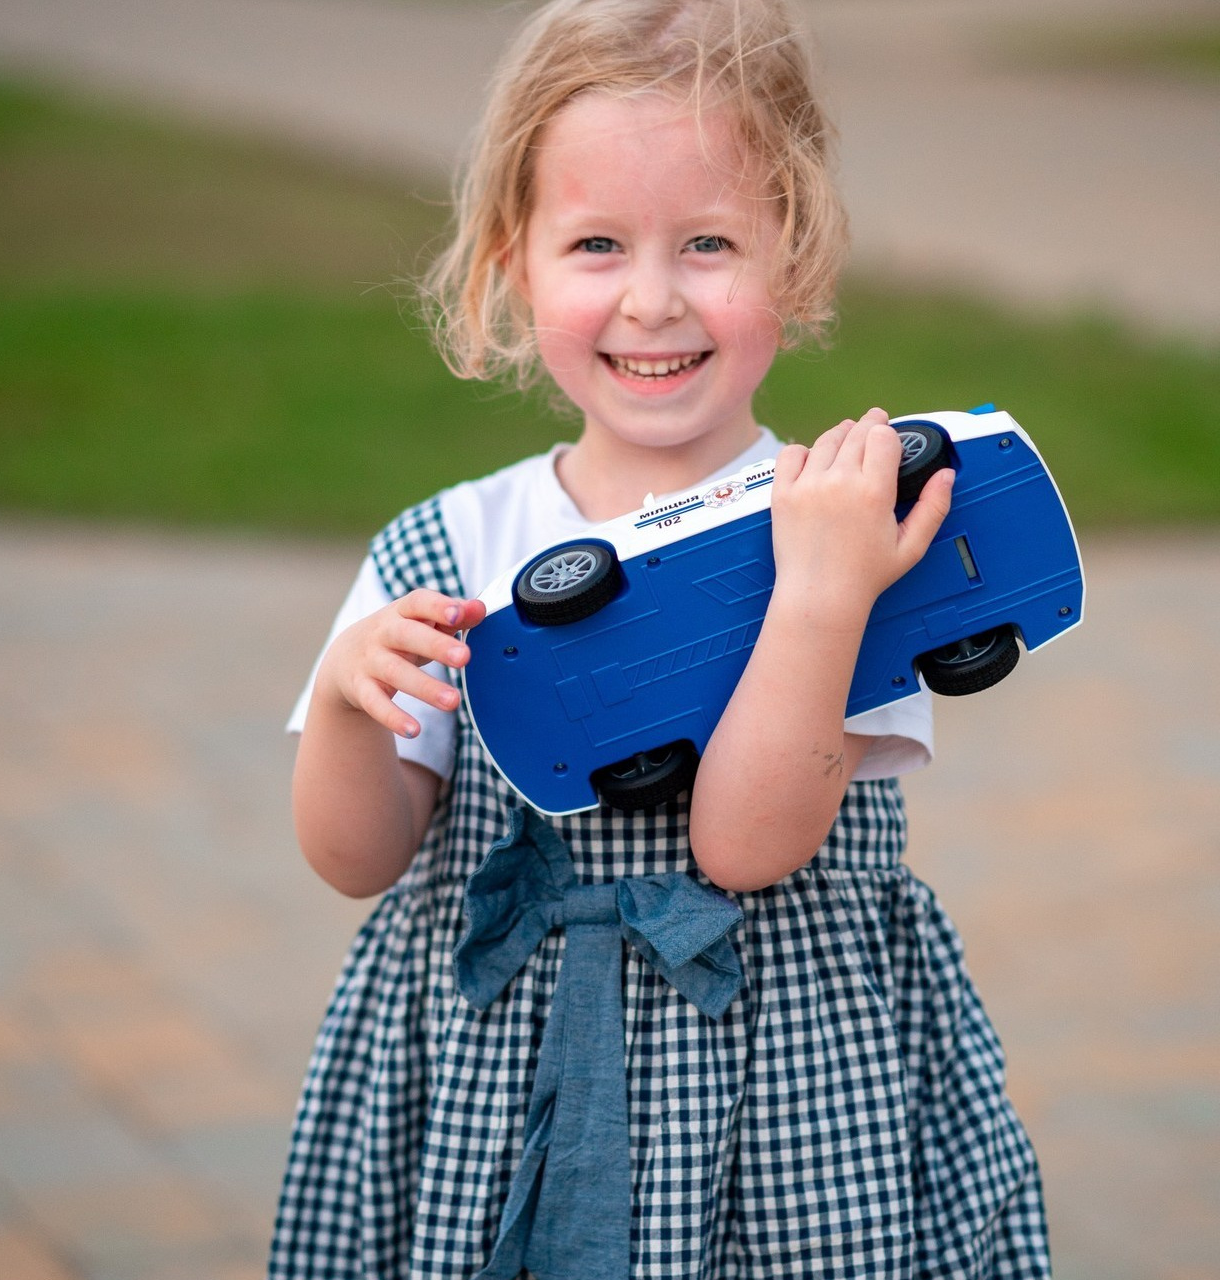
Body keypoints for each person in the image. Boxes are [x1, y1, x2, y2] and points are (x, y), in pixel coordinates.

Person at [269, 1, 1051, 1276]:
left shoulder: (849, 534)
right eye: (594, 243)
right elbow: (355, 857)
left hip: (778, 1106)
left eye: (707, 242)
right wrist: (350, 705)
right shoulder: (446, 545)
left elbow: (744, 847)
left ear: (792, 255)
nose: (650, 298)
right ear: (512, 262)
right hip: (491, 1080)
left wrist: (819, 597)